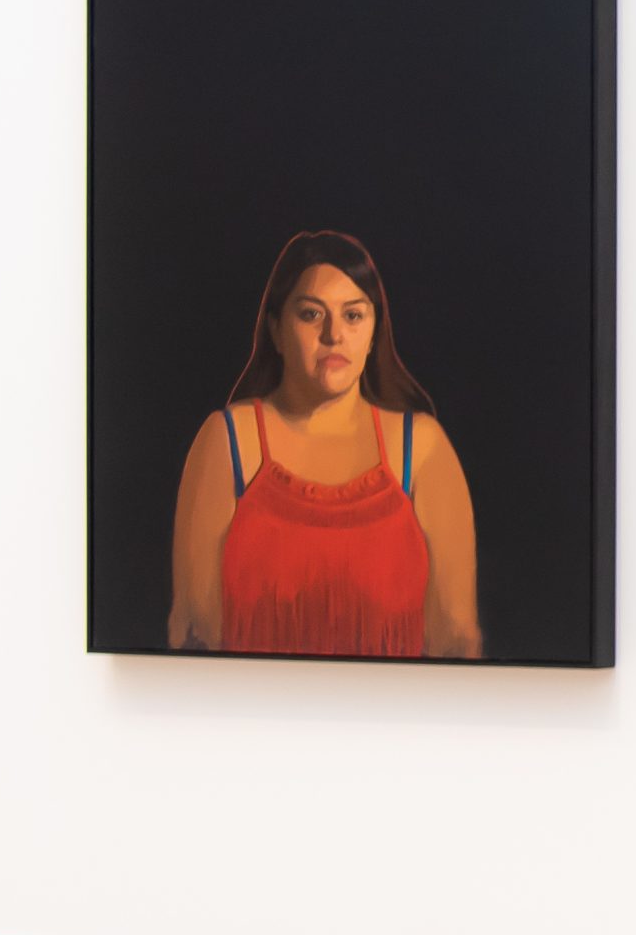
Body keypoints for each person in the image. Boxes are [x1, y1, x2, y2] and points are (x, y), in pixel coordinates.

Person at [168, 230, 482, 659]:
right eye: (312, 314)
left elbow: (457, 640)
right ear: (276, 330)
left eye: (353, 316)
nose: (334, 335)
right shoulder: (228, 441)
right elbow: (192, 631)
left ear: (374, 334)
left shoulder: (422, 449)